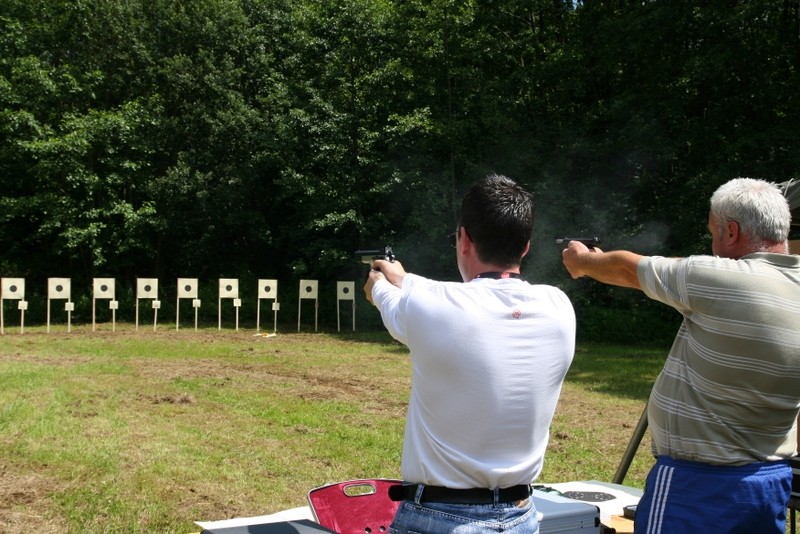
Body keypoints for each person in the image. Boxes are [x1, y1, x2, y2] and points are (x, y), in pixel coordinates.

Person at [561, 177, 800, 533]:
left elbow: (629, 268)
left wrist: (582, 261)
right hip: (770, 482)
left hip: (699, 487)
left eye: (715, 232)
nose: (713, 244)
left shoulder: (719, 278)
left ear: (731, 232)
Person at [364, 174, 576, 534]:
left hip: (438, 520)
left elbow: (390, 296)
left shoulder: (434, 306)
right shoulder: (559, 306)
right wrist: (403, 280)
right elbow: (445, 297)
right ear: (525, 246)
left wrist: (381, 282)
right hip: (522, 516)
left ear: (463, 239)